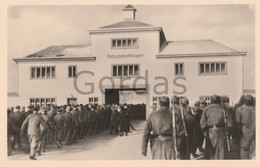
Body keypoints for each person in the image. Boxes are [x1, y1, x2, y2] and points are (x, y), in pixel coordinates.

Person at [200, 95, 233, 159]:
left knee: (210, 152)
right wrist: (229, 132)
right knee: (221, 151)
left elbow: (202, 123)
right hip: (221, 131)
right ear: (219, 101)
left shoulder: (206, 109)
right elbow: (230, 124)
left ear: (211, 101)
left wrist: (204, 133)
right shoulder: (224, 109)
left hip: (210, 131)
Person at [235, 95, 255, 159]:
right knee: (253, 150)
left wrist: (238, 134)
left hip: (245, 130)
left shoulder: (240, 109)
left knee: (244, 149)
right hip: (255, 130)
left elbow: (237, 122)